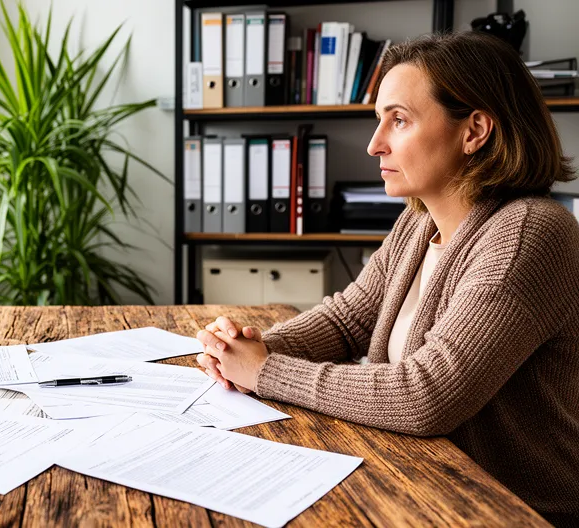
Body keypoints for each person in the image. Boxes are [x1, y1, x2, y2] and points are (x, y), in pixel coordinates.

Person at [196, 32, 579, 525]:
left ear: (474, 130)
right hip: (419, 482)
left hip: (511, 509)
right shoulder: (421, 220)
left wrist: (265, 371)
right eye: (380, 121)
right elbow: (348, 320)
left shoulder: (530, 233)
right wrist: (242, 350)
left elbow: (426, 396)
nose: (376, 144)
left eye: (399, 120)